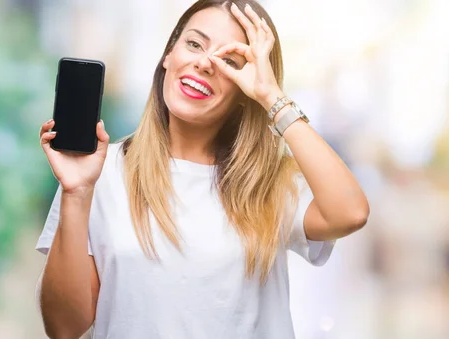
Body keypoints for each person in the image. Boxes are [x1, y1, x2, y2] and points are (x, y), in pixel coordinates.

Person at [35, 1, 369, 338]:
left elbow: (351, 213)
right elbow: (64, 327)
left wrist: (271, 97)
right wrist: (76, 194)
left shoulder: (269, 182)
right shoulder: (100, 173)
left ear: (245, 89)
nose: (204, 63)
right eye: (194, 44)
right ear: (168, 56)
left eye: (229, 61)